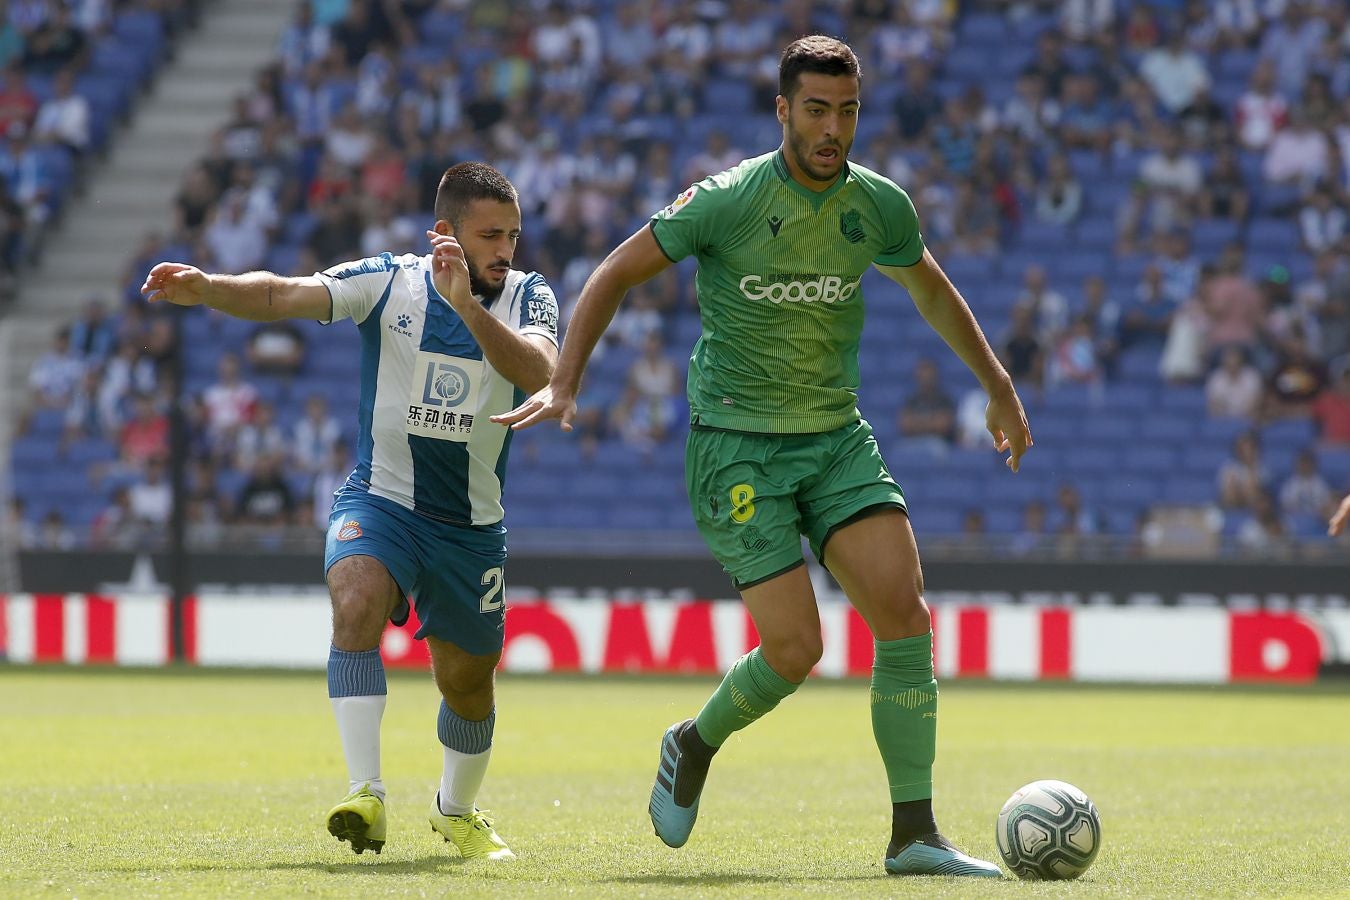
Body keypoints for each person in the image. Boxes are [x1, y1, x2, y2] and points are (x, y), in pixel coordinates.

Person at [495, 36, 1031, 879]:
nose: (833, 128)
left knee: (904, 611)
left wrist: (998, 386)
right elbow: (612, 273)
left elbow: (928, 286)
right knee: (796, 650)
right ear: (783, 110)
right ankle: (693, 742)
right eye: (816, 109)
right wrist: (564, 383)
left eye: (847, 110)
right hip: (737, 448)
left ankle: (914, 833)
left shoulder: (878, 206)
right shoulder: (729, 199)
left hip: (835, 438)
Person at [141, 162, 559, 861]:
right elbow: (282, 294)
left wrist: (468, 308)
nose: (506, 250)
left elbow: (540, 372)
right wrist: (210, 288)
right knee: (355, 596)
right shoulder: (388, 280)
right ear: (446, 234)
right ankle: (366, 793)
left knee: (467, 682)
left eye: (512, 235)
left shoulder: (527, 296)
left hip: (471, 526)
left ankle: (455, 809)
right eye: (491, 235)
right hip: (383, 498)